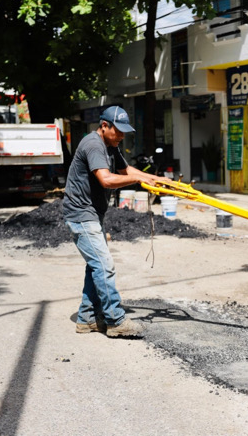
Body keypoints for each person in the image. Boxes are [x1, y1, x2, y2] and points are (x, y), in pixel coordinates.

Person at [63, 106, 169, 338]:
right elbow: (107, 179)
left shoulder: (110, 145)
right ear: (104, 126)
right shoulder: (93, 145)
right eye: (117, 131)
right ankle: (115, 320)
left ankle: (87, 319)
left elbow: (126, 168)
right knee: (104, 266)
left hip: (92, 213)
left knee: (96, 267)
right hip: (81, 214)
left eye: (124, 132)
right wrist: (136, 180)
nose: (121, 135)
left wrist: (153, 179)